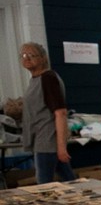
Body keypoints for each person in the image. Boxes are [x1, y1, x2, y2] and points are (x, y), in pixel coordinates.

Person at [20, 42, 76, 184]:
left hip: (47, 142)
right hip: (42, 140)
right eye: (23, 55)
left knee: (44, 187)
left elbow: (60, 113)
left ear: (43, 58)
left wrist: (61, 147)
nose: (26, 58)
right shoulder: (36, 80)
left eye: (31, 55)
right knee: (69, 181)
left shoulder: (48, 78)